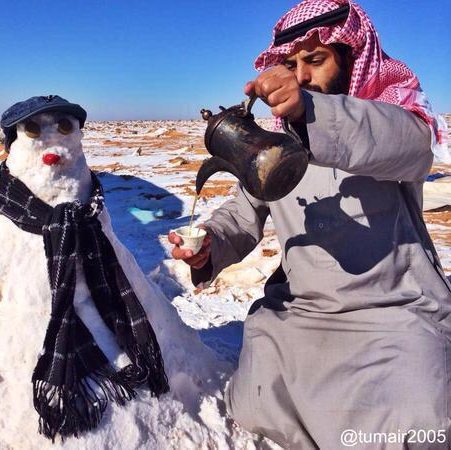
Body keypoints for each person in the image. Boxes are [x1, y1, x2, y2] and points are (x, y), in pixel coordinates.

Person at [169, 1, 451, 448]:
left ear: (350, 59)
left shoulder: (385, 123)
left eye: (314, 61)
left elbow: (411, 147)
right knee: (254, 399)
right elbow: (243, 215)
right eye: (289, 65)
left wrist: (311, 112)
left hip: (393, 313)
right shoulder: (273, 151)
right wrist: (210, 245)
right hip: (302, 312)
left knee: (416, 422)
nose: (300, 75)